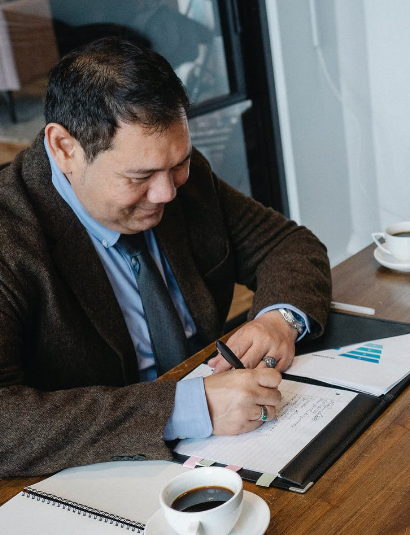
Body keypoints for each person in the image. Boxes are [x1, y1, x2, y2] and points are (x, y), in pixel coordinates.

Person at [0, 38, 332, 478]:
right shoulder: (9, 237)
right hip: (93, 475)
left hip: (230, 448)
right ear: (65, 148)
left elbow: (289, 244)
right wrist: (185, 409)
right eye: (139, 177)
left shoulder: (177, 177)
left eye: (179, 164)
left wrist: (277, 321)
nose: (167, 193)